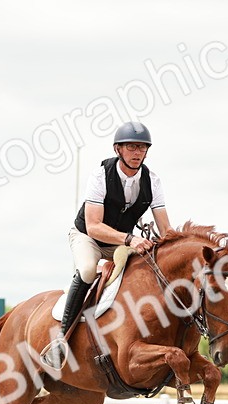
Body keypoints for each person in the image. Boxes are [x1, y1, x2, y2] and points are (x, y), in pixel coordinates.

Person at [41, 121, 174, 369]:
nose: (137, 153)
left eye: (142, 148)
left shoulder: (153, 181)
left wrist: (174, 249)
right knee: (88, 270)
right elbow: (93, 226)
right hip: (88, 237)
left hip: (120, 243)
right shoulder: (100, 175)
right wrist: (130, 239)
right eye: (131, 147)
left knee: (146, 271)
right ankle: (61, 339)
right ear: (118, 149)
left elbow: (166, 229)